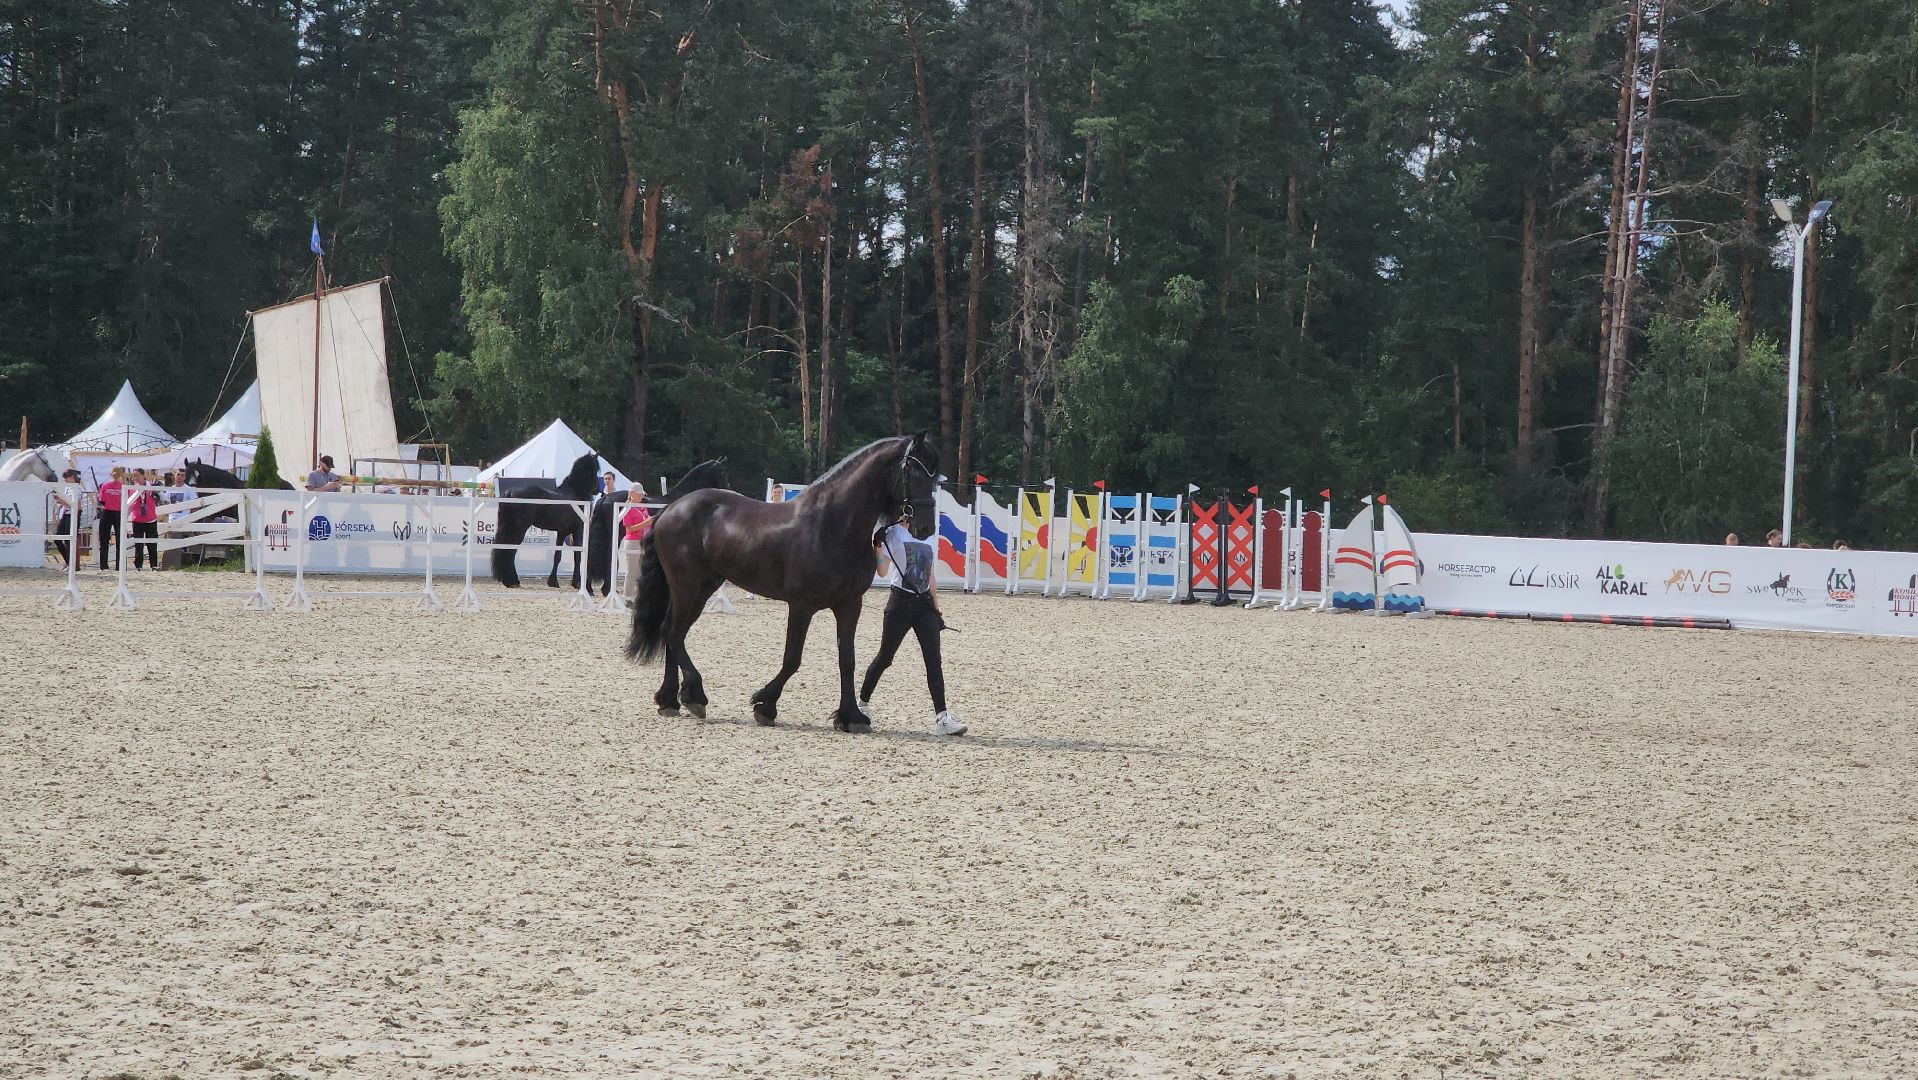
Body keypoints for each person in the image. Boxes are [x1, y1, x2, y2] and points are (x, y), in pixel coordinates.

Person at [858, 511, 967, 736]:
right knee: (885, 657)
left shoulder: (928, 535)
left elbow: (930, 574)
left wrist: (936, 608)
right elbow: (882, 570)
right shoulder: (893, 534)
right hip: (900, 602)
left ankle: (942, 718)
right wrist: (876, 548)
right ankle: (862, 705)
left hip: (924, 604)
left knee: (933, 660)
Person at [618, 484, 653, 601]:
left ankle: (637, 596)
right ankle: (627, 597)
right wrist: (646, 523)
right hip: (632, 541)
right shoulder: (627, 508)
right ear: (632, 494)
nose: (641, 496)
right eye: (639, 494)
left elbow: (648, 523)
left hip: (643, 540)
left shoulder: (642, 507)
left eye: (642, 494)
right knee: (632, 570)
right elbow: (629, 528)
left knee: (641, 570)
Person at [51, 468, 83, 567]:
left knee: (69, 540)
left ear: (72, 477)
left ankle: (72, 564)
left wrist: (61, 501)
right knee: (58, 539)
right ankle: (68, 562)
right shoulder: (67, 488)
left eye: (66, 477)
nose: (65, 480)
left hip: (73, 514)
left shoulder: (77, 488)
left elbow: (76, 506)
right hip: (66, 513)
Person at [126, 476, 160, 570]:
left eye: (137, 475)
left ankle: (154, 565)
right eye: (134, 475)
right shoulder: (132, 489)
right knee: (138, 544)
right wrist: (125, 516)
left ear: (142, 476)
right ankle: (138, 565)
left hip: (151, 519)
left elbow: (160, 497)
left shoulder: (152, 486)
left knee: (152, 543)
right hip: (137, 519)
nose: (135, 478)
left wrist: (157, 491)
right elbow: (128, 503)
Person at [96, 467, 124, 570]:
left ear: (111, 474)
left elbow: (102, 501)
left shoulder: (105, 485)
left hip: (107, 512)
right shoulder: (123, 487)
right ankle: (119, 565)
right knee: (120, 540)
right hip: (118, 512)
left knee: (104, 540)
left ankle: (104, 565)